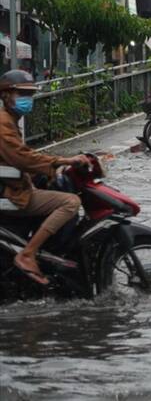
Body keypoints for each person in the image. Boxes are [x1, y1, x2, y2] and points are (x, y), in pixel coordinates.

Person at [0, 70, 91, 285]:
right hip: (9, 192)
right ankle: (28, 254)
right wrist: (60, 161)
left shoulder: (10, 119)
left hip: (13, 184)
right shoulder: (3, 122)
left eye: (29, 94)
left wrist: (47, 169)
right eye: (21, 94)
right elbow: (21, 157)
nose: (27, 99)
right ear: (6, 95)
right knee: (70, 202)